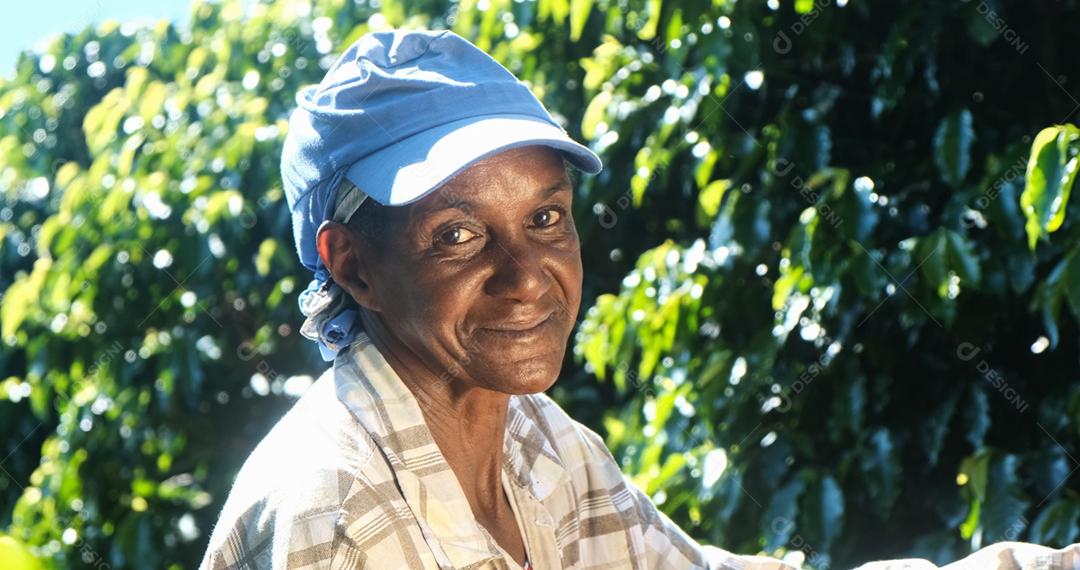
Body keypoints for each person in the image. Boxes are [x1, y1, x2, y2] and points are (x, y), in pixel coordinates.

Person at [201, 29, 1080, 569]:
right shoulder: (337, 512)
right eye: (458, 235)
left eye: (546, 217)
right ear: (352, 265)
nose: (526, 275)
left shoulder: (536, 439)